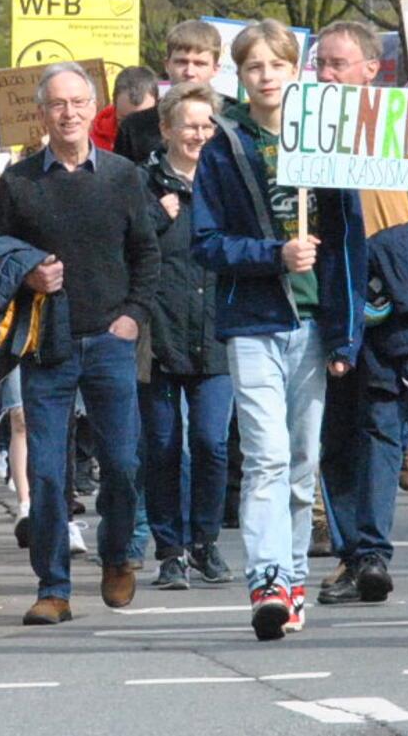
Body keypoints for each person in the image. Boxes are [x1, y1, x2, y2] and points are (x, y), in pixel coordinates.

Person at [192, 20, 366, 641]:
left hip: (314, 325)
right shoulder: (224, 147)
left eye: (277, 65)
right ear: (238, 77)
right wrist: (273, 254)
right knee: (263, 457)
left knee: (300, 461)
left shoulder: (328, 139)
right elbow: (207, 244)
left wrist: (347, 335)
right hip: (254, 321)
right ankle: (265, 578)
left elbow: (350, 243)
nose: (266, 77)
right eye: (253, 68)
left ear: (296, 71)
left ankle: (292, 578)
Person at [0, 61, 158, 626]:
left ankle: (117, 555)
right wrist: (27, 276)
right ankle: (53, 586)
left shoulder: (123, 176)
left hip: (110, 339)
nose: (68, 113)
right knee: (50, 473)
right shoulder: (20, 182)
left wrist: (133, 317)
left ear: (93, 108)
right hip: (46, 342)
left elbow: (146, 255)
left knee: (124, 463)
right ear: (41, 114)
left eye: (78, 103)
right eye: (57, 104)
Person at [309, 20, 408, 607]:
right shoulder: (301, 129)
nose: (326, 74)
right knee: (334, 435)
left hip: (387, 302)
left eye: (338, 64)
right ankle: (355, 552)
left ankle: (371, 552)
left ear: (370, 70)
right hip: (326, 300)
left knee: (380, 426)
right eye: (321, 64)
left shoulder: (403, 128)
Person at [139, 82, 233, 591]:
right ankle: (170, 549)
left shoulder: (227, 180)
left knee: (211, 442)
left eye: (206, 125)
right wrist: (157, 215)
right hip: (158, 331)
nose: (198, 134)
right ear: (167, 129)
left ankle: (205, 542)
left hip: (217, 330)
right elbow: (124, 243)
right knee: (163, 445)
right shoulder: (141, 182)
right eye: (189, 125)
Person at [115, 20, 224, 164]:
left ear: (215, 69)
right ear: (167, 65)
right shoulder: (135, 127)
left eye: (199, 64)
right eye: (181, 62)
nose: (189, 72)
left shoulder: (233, 122)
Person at [92, 65, 159, 152]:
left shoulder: (172, 137)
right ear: (114, 104)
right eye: (125, 121)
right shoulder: (91, 144)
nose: (134, 130)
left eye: (143, 120)